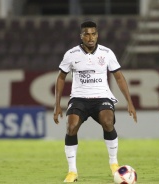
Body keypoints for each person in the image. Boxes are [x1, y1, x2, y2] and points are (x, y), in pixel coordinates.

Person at [53, 20, 137, 183]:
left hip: (101, 97)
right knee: (71, 127)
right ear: (81, 36)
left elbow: (119, 77)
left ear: (97, 35)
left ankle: (113, 162)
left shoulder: (106, 53)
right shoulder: (71, 54)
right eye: (87, 34)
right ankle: (72, 172)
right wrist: (57, 105)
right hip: (79, 98)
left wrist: (130, 102)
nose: (90, 37)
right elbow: (61, 78)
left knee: (108, 122)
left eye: (93, 34)